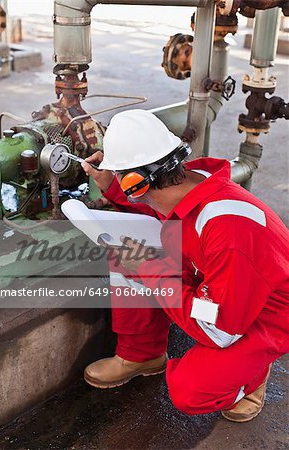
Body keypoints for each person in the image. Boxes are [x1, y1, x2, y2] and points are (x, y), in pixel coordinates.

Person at [81, 109, 289, 423]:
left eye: (121, 177)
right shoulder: (190, 189)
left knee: (191, 389)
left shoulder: (228, 231)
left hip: (265, 314)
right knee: (129, 248)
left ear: (136, 184)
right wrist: (112, 186)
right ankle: (142, 354)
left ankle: (250, 379)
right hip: (224, 285)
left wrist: (154, 274)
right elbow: (156, 213)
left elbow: (219, 330)